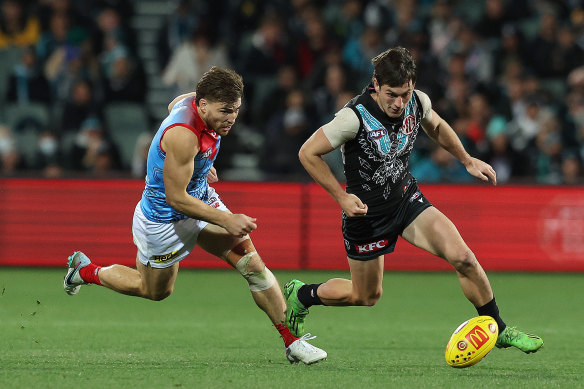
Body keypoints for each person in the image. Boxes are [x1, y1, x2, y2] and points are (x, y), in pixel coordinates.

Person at [284, 47, 543, 356]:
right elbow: (307, 153)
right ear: (376, 85)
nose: (399, 103)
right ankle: (303, 295)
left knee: (463, 258)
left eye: (405, 94)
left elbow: (435, 124)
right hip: (366, 216)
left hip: (406, 200)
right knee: (366, 296)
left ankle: (497, 328)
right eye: (392, 94)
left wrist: (466, 159)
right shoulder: (352, 117)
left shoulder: (417, 101)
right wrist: (341, 197)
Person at [63, 66, 326, 365]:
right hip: (163, 220)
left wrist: (198, 167)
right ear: (202, 105)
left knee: (253, 266)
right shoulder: (183, 136)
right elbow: (176, 198)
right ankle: (84, 271)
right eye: (225, 110)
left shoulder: (191, 102)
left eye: (236, 110)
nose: (232, 118)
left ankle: (292, 342)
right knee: (153, 291)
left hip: (200, 199)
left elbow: (173, 104)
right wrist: (226, 219)